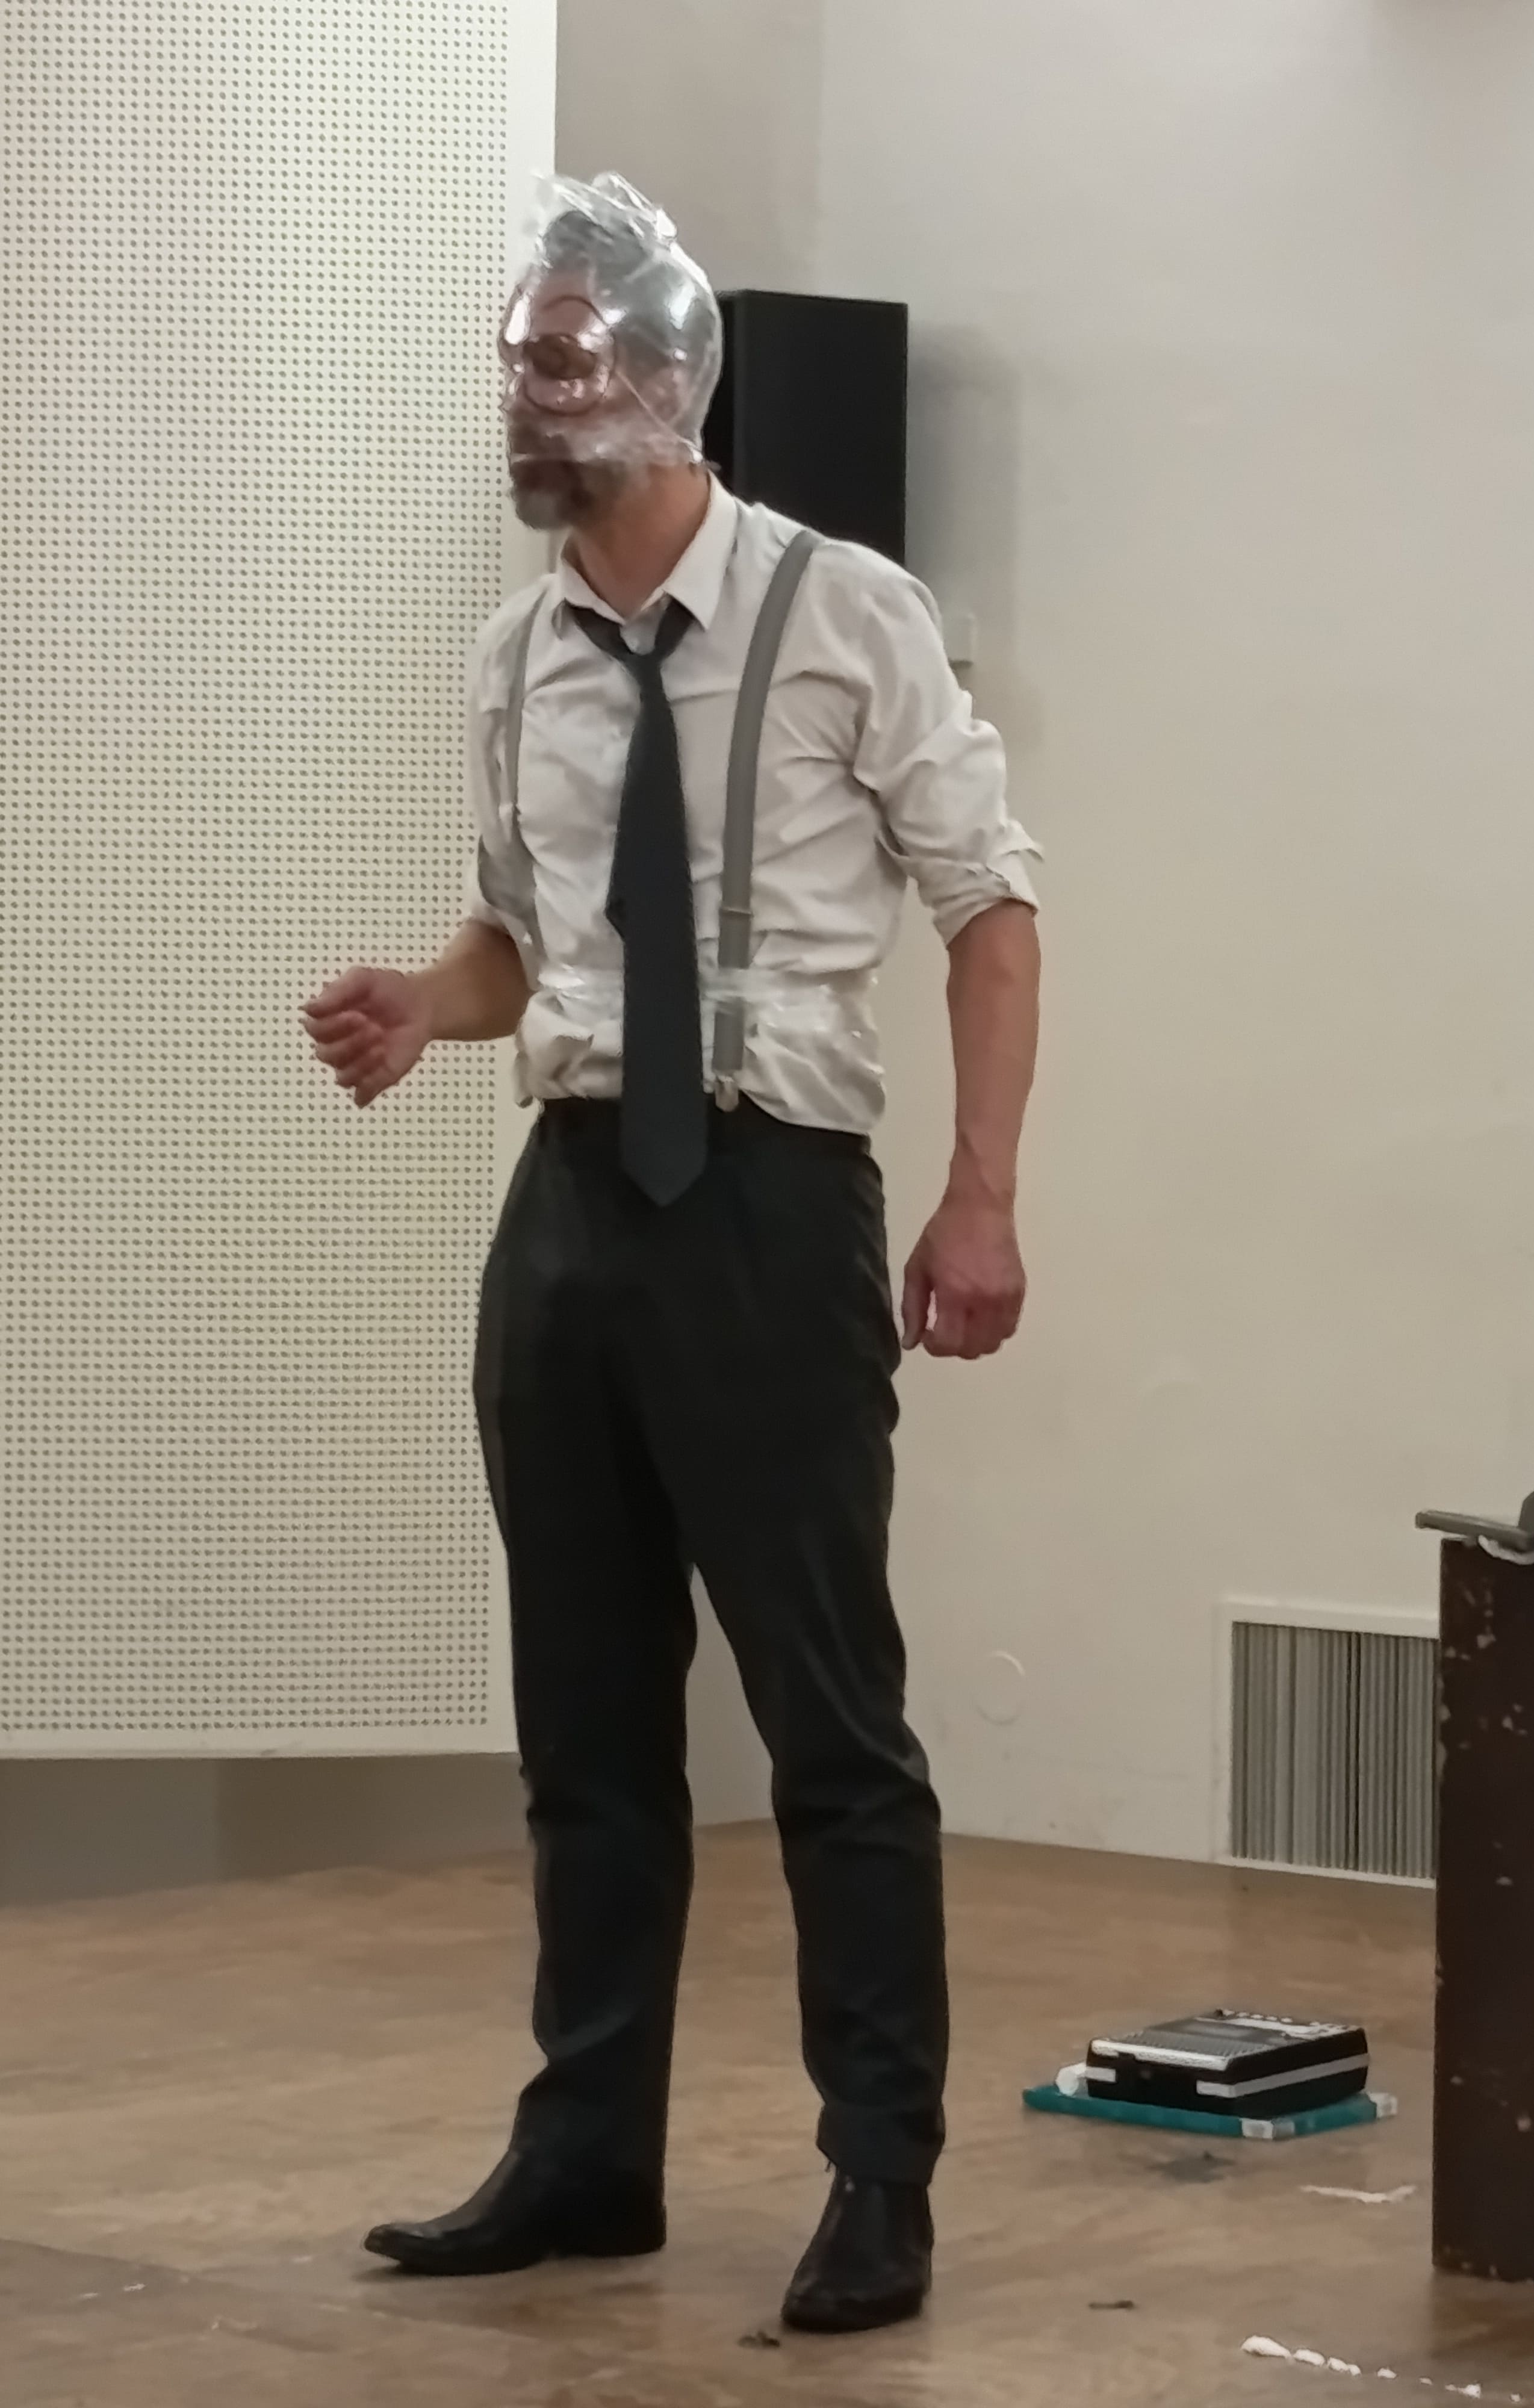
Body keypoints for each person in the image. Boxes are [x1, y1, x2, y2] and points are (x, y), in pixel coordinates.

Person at [302, 172, 1040, 2336]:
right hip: (566, 1208)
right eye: (514, 365)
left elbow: (992, 910)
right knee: (585, 1714)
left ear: (666, 375)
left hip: (767, 1196)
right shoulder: (514, 654)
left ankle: (878, 2172)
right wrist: (421, 1006)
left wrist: (982, 1192)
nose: (522, 401)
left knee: (829, 1715)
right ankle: (585, 2152)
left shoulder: (847, 612)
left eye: (556, 364)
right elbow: (523, 939)